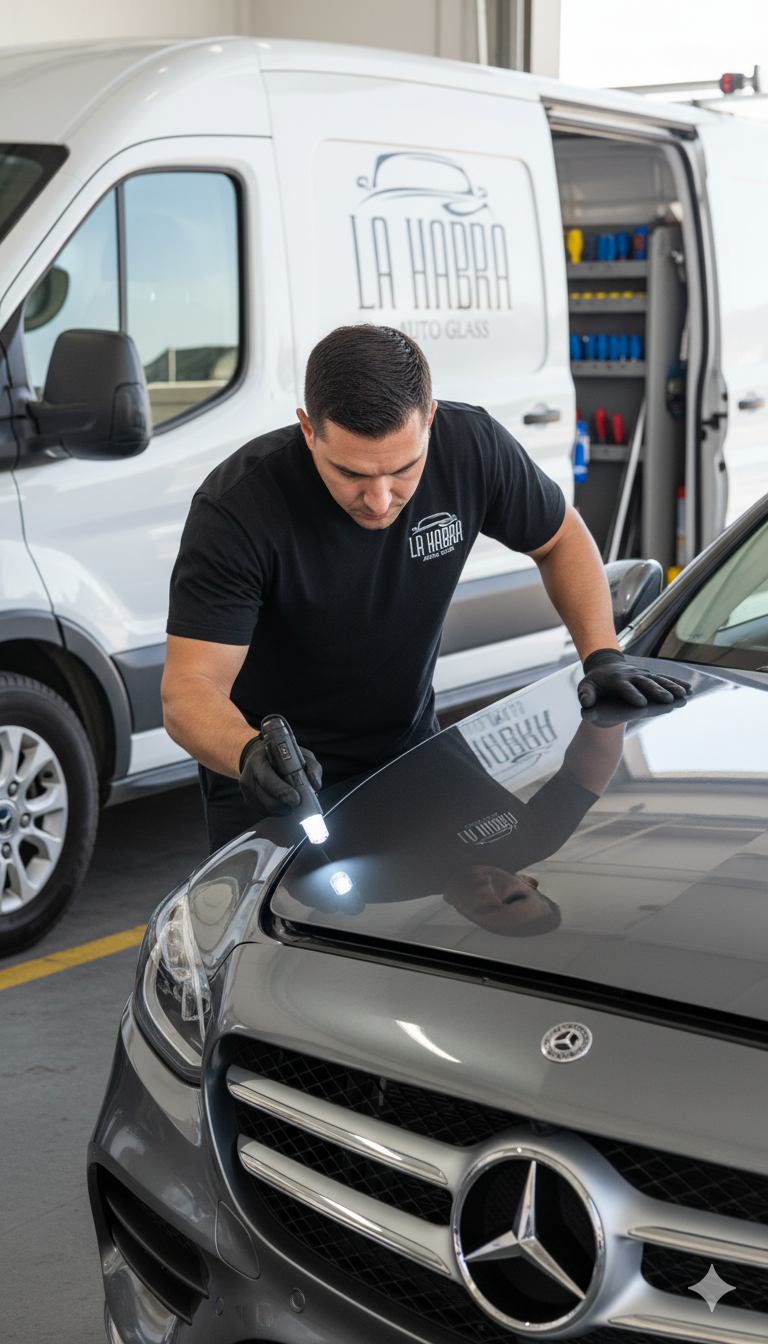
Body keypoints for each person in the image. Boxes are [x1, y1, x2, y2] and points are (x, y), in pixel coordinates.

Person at [162, 325, 689, 854]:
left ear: (430, 419)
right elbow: (190, 688)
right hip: (269, 779)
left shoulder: (471, 446)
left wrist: (602, 655)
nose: (378, 499)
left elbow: (560, 538)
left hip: (411, 753)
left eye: (403, 469)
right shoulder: (237, 510)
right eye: (350, 473)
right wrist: (247, 752)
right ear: (308, 430)